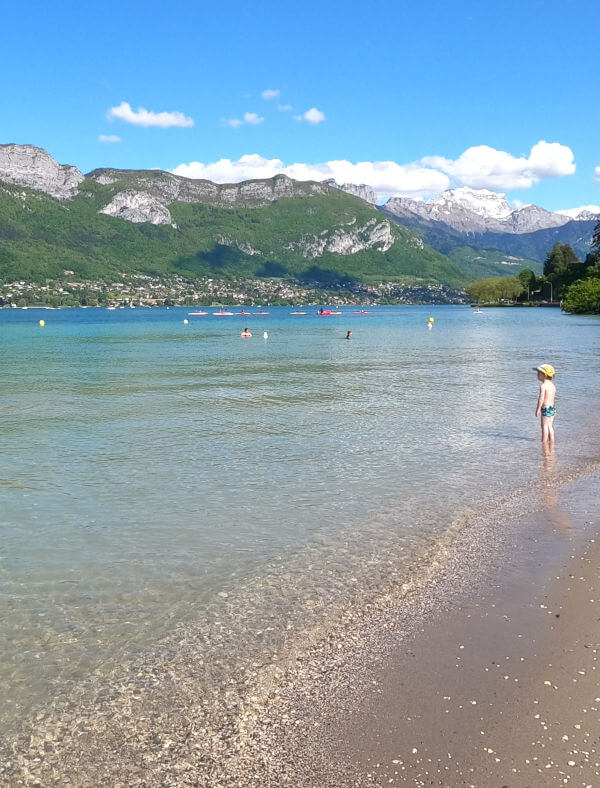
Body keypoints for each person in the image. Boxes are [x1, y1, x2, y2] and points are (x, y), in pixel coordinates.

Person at [534, 363, 556, 443]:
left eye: (539, 373)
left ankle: (544, 443)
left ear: (545, 375)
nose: (537, 375)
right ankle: (552, 442)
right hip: (552, 408)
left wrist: (538, 410)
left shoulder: (543, 386)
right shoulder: (552, 385)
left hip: (545, 408)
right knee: (550, 426)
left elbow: (541, 399)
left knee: (544, 427)